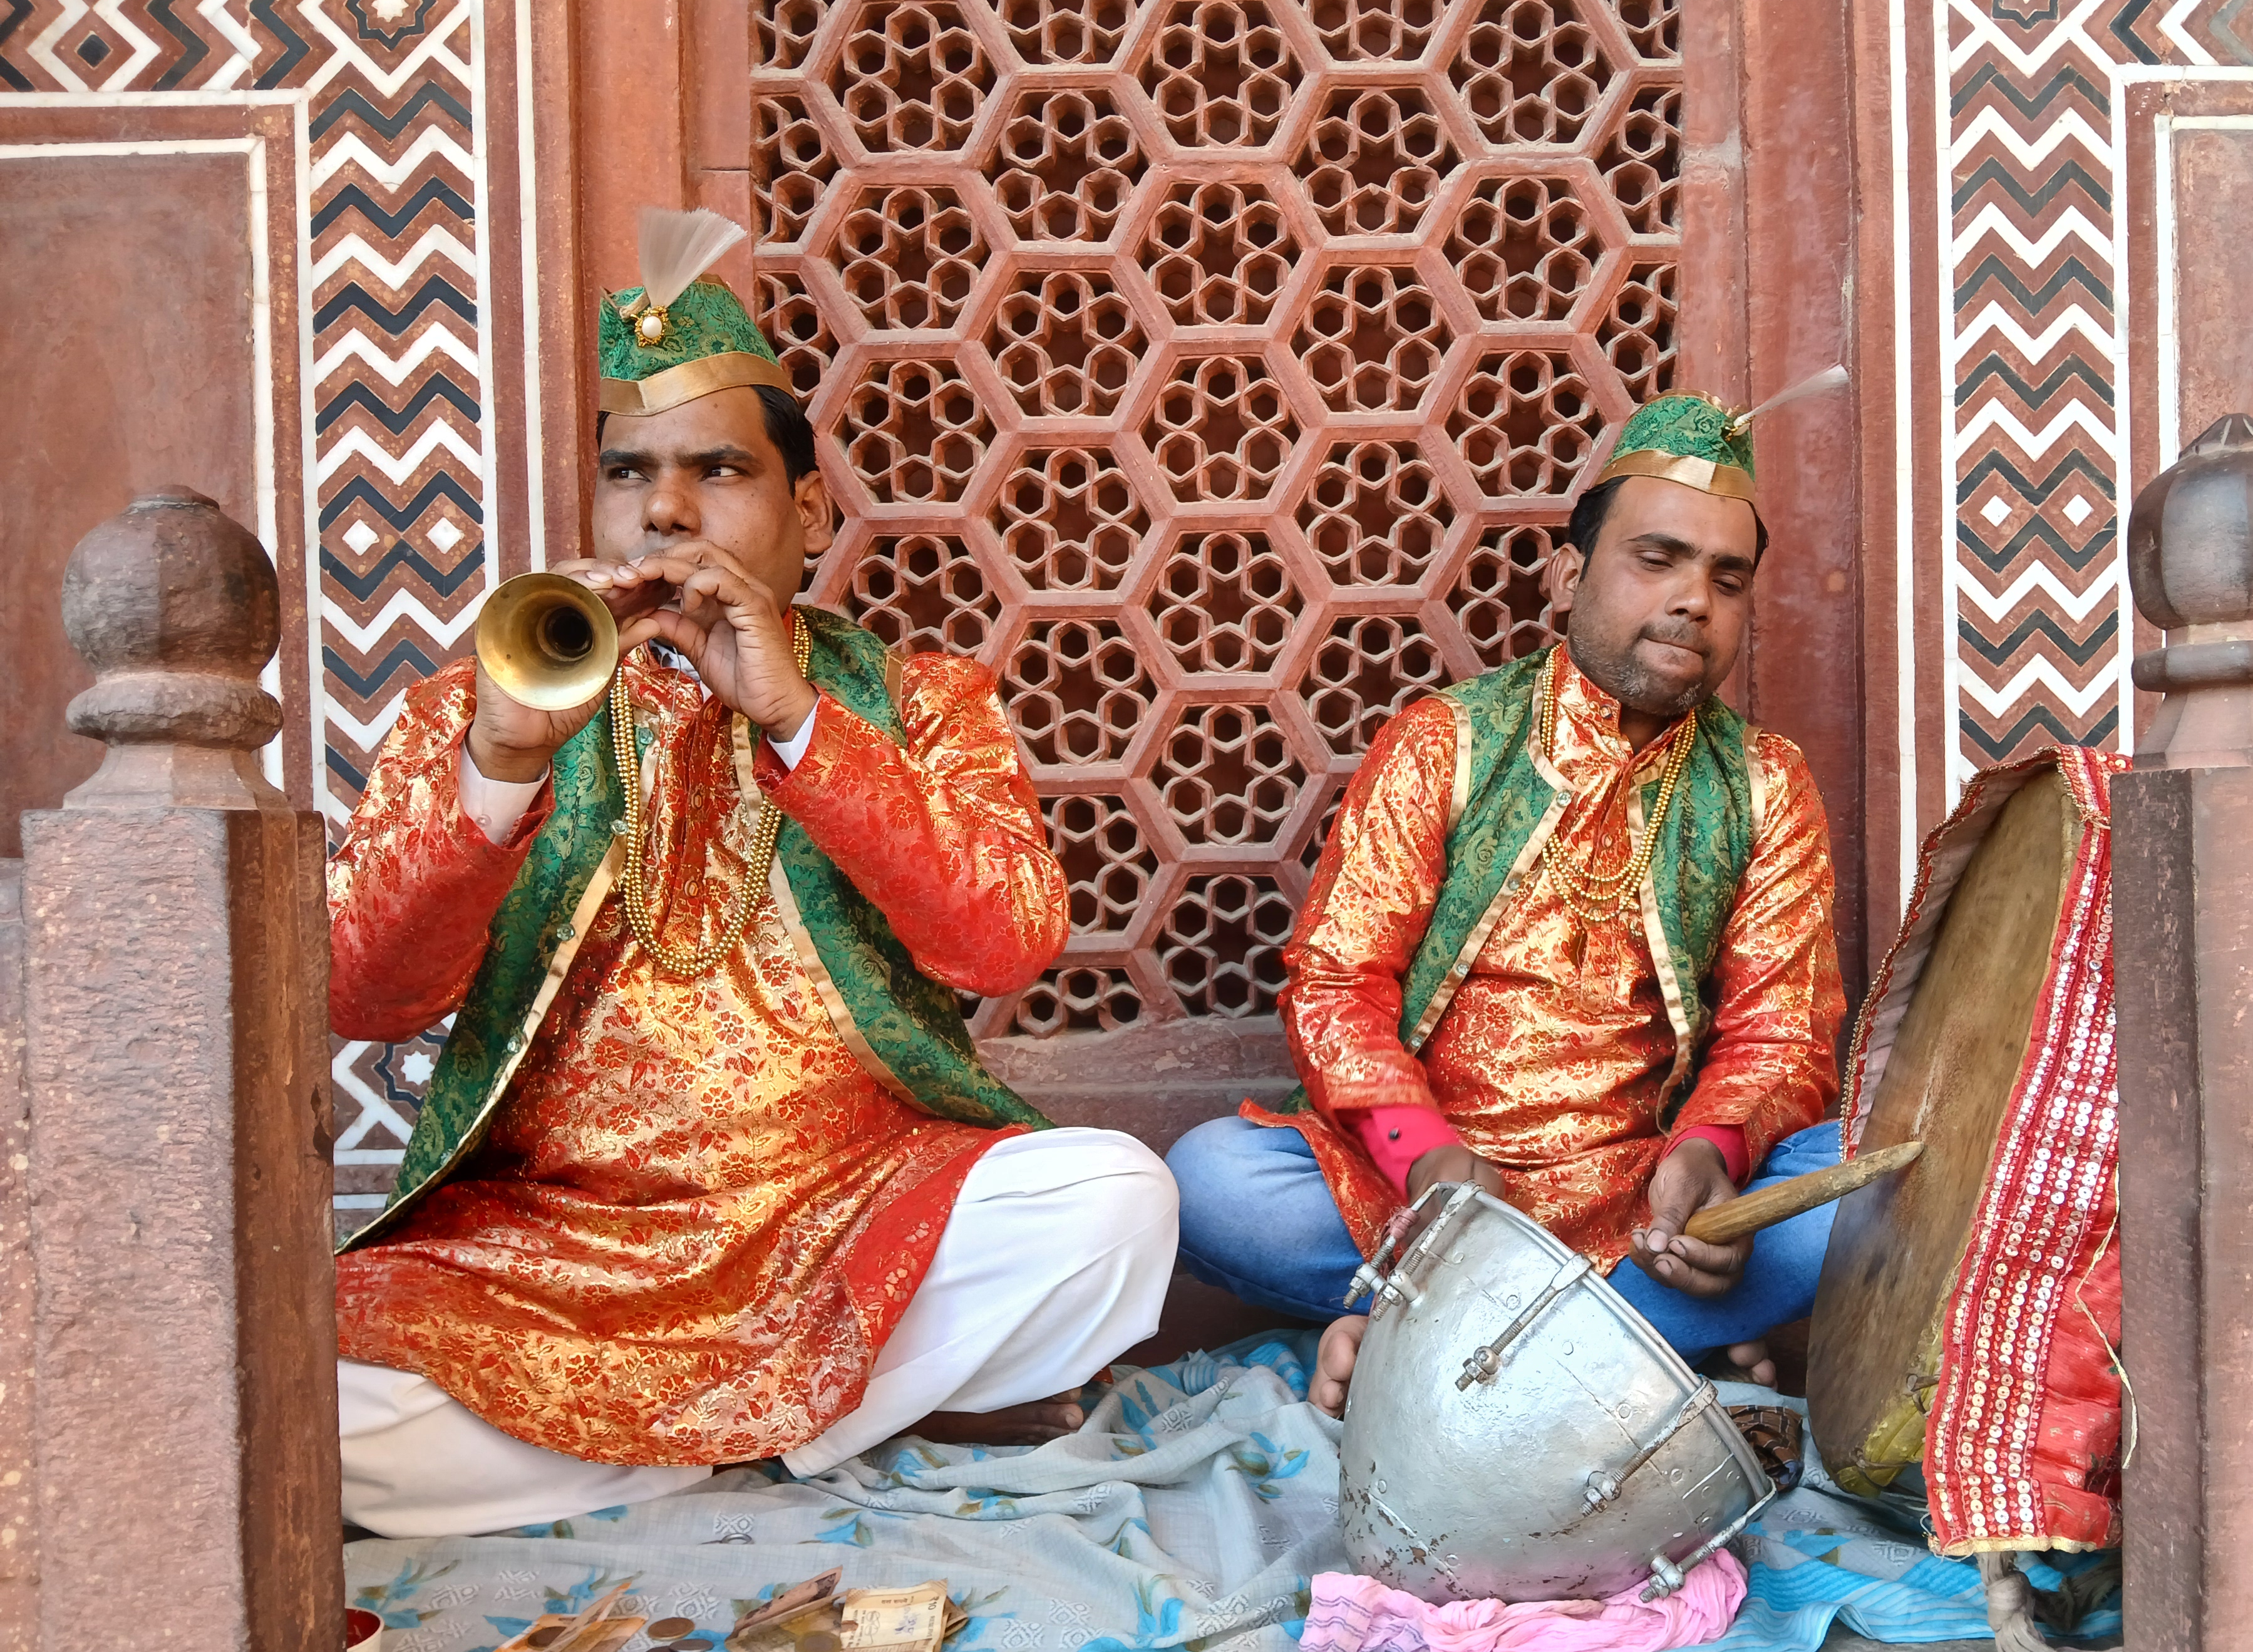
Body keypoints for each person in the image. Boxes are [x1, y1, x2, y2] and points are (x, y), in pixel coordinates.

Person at [331, 211, 1175, 1537]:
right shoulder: (478, 708)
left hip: (851, 1218)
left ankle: (642, 1450)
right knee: (303, 1390)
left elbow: (1005, 945)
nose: (664, 512)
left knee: (1114, 1204)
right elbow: (359, 993)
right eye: (631, 477)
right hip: (551, 1255)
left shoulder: (920, 699)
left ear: (810, 507)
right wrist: (499, 765)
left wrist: (802, 728)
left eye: (717, 470)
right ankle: (795, 1434)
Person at [1167, 390, 1847, 1417]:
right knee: (1212, 1183)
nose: (1695, 600)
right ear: (1571, 573)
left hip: (1647, 1207)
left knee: (1865, 1194)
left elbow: (1783, 1035)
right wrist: (1426, 1158)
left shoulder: (1764, 783)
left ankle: (1428, 1334)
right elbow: (1336, 982)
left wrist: (1715, 1153)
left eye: (1727, 577)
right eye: (1655, 559)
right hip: (1426, 1193)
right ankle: (1625, 1353)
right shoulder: (1448, 741)